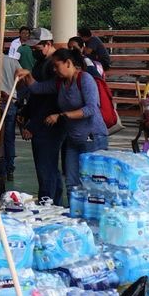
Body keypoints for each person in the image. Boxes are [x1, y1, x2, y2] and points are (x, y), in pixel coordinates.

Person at [44, 49, 107, 192]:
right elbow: (38, 88)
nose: (54, 70)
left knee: (93, 183)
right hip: (73, 139)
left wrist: (61, 115)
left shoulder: (85, 79)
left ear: (68, 63)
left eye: (56, 65)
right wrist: (27, 76)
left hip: (93, 138)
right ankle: (74, 204)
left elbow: (91, 109)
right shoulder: (60, 83)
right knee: (71, 182)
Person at [20, 29, 65, 203]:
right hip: (39, 118)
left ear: (48, 44)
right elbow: (36, 95)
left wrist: (34, 125)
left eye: (36, 48)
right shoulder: (41, 63)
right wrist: (25, 111)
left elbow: (50, 101)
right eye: (31, 48)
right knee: (49, 167)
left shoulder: (52, 67)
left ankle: (48, 202)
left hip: (47, 123)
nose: (33, 51)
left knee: (46, 167)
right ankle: (54, 201)